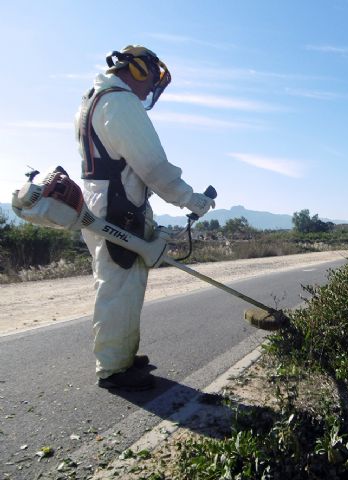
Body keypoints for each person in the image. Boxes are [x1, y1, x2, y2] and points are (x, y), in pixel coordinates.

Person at [75, 45, 215, 391]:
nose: (151, 88)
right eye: (151, 79)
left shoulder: (94, 98)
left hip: (108, 203)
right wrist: (189, 198)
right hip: (116, 207)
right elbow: (151, 165)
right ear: (136, 70)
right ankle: (114, 370)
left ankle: (119, 357)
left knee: (118, 283)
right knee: (119, 288)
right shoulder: (119, 103)